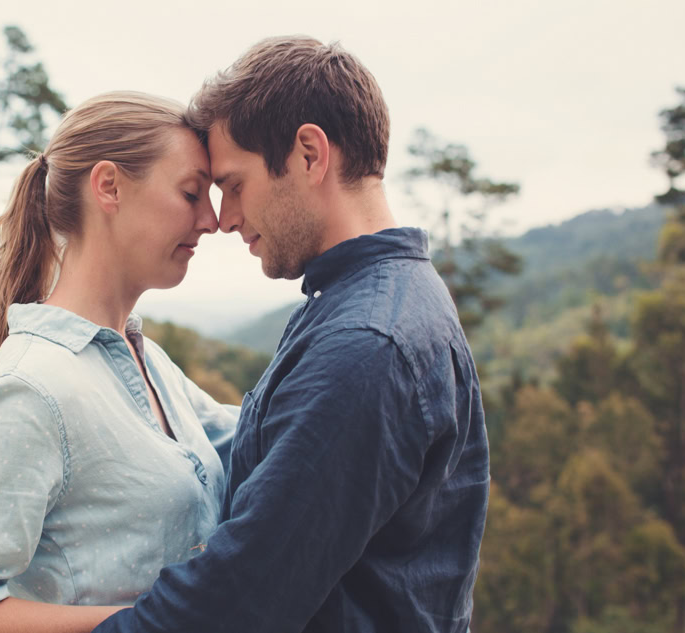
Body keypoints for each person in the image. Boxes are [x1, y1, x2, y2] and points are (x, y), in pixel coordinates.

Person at [93, 37, 490, 633]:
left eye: (234, 184)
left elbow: (233, 605)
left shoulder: (368, 345)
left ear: (309, 154)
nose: (224, 218)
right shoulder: (362, 303)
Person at [0, 92, 239, 633]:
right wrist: (150, 623)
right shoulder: (36, 390)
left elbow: (259, 438)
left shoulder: (150, 365)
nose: (212, 220)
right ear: (109, 186)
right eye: (191, 192)